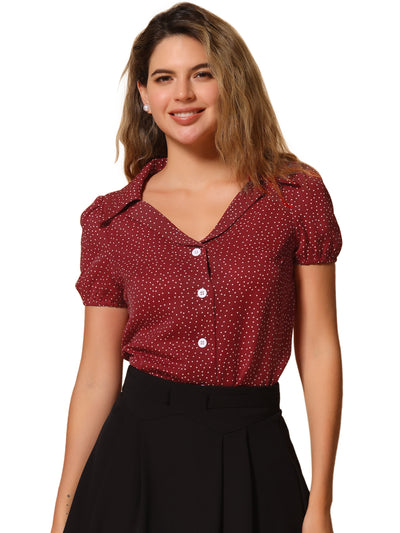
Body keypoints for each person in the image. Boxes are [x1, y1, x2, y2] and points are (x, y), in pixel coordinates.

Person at [51, 3, 343, 532]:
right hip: (133, 464)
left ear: (231, 83)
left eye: (202, 74)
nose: (182, 94)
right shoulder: (112, 220)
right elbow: (96, 375)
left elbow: (319, 346)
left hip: (256, 451)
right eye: (164, 78)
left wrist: (320, 501)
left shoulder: (294, 196)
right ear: (144, 95)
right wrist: (63, 511)